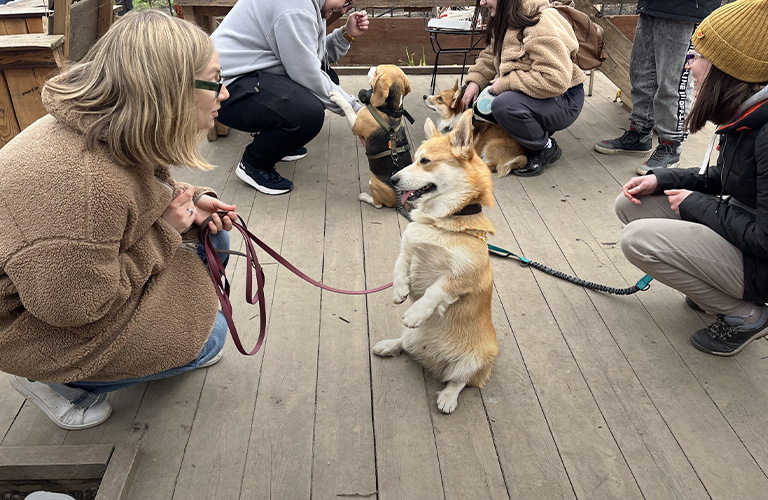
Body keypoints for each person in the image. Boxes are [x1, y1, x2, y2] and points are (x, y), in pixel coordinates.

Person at [0, 10, 237, 430]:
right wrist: (166, 233)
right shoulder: (85, 186)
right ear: (171, 91)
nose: (225, 93)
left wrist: (191, 201)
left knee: (211, 240)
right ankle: (57, 383)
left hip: (63, 283)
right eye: (216, 79)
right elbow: (75, 306)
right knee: (210, 337)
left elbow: (138, 191)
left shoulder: (107, 128)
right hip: (31, 324)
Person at [616, 0, 768, 357]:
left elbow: (766, 238)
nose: (689, 62)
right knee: (632, 205)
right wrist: (664, 180)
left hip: (762, 259)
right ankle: (716, 289)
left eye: (698, 54)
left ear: (728, 69)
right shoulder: (748, 113)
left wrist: (697, 206)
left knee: (637, 240)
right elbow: (730, 179)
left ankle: (747, 314)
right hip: (743, 231)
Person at [211, 0, 370, 195]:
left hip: (246, 75)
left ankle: (278, 143)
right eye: (347, 1)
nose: (344, 9)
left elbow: (312, 58)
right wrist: (356, 111)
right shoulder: (294, 7)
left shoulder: (310, 5)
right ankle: (254, 164)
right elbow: (307, 73)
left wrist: (345, 35)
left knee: (328, 81)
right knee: (308, 112)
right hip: (224, 90)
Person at [461, 0, 586, 177]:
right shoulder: (507, 17)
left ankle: (545, 147)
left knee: (505, 105)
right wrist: (475, 81)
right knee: (466, 95)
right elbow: (491, 55)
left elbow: (555, 79)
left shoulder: (539, 23)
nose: (481, 2)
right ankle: (520, 135)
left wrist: (506, 84)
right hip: (534, 91)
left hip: (563, 99)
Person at [595, 0, 720, 175]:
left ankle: (671, 146)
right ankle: (639, 133)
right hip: (652, 6)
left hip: (687, 11)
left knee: (673, 82)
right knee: (641, 73)